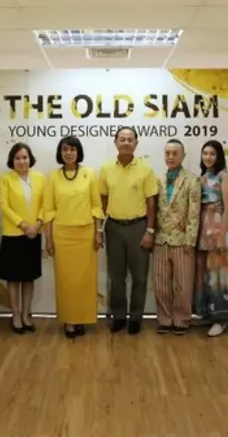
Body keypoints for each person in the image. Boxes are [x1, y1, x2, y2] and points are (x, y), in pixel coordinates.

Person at [43, 136, 104, 339]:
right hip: (62, 236)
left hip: (86, 235)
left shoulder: (89, 174)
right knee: (66, 281)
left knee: (84, 281)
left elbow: (96, 205)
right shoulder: (53, 177)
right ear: (60, 153)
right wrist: (48, 239)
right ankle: (69, 320)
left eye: (72, 149)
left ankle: (81, 319)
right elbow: (49, 210)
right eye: (65, 150)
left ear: (78, 152)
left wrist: (98, 232)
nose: (68, 153)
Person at [99, 127, 158, 335]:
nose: (126, 142)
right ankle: (119, 317)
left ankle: (135, 318)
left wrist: (150, 230)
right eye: (122, 139)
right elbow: (103, 200)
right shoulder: (106, 169)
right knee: (117, 277)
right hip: (114, 227)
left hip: (138, 227)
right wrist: (99, 229)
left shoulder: (146, 169)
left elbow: (152, 203)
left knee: (140, 277)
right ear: (115, 142)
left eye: (130, 139)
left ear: (136, 143)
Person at [152, 139, 200, 336]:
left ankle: (181, 319)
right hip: (160, 239)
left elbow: (194, 212)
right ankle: (164, 319)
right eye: (167, 153)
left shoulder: (192, 180)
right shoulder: (157, 179)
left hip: (182, 240)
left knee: (183, 284)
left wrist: (191, 239)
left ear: (183, 156)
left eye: (175, 153)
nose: (170, 157)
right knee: (160, 284)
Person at [0, 142, 45, 334]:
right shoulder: (5, 179)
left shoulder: (40, 178)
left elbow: (45, 204)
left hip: (34, 234)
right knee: (13, 279)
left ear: (30, 158)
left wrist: (38, 224)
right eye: (17, 158)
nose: (21, 161)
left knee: (28, 278)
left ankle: (26, 314)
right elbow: (4, 205)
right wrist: (23, 224)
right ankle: (15, 315)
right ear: (12, 160)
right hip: (13, 234)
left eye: (24, 157)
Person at [195, 140, 228, 337]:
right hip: (203, 232)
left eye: (212, 153)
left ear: (219, 156)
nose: (208, 157)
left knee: (220, 279)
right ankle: (208, 314)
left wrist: (222, 235)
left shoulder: (225, 176)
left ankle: (222, 319)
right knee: (205, 277)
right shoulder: (203, 177)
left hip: (219, 231)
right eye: (205, 153)